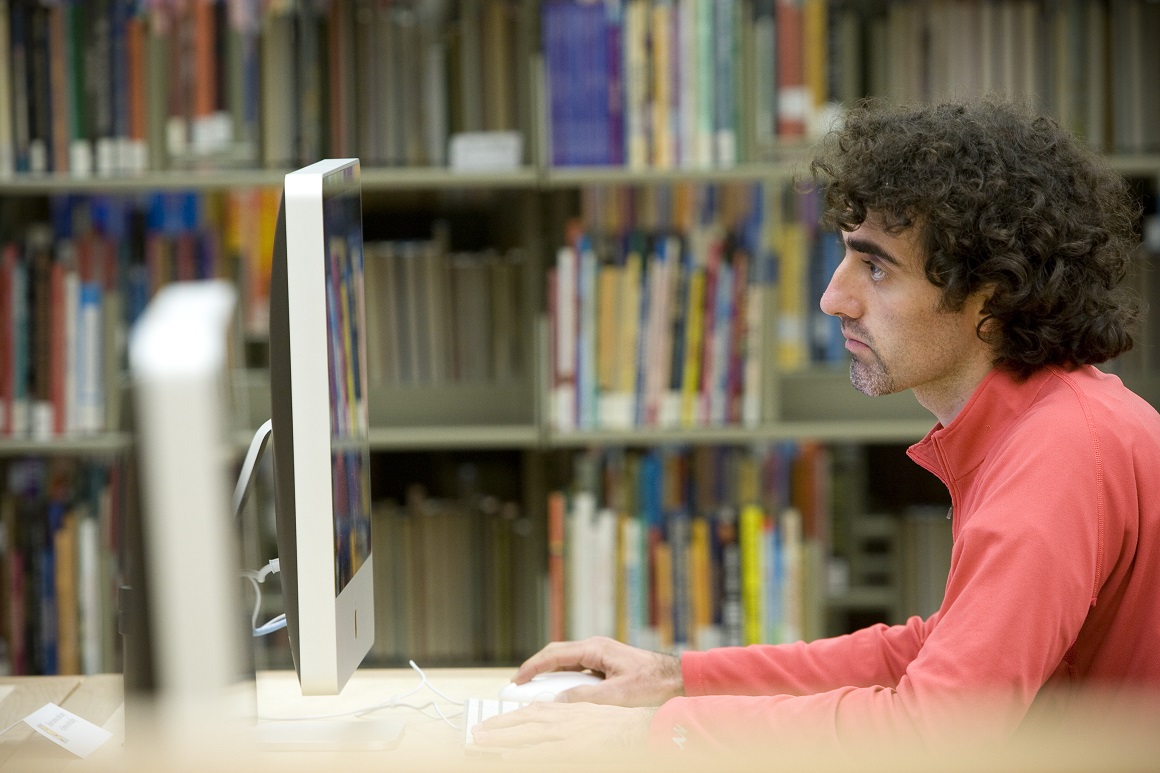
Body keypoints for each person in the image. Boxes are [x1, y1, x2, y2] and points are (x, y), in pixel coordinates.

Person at [470, 99, 1160, 760]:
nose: (833, 298)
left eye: (876, 268)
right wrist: (677, 679)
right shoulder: (1050, 423)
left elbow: (934, 735)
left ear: (992, 294)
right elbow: (928, 653)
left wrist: (652, 738)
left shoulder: (1060, 454)